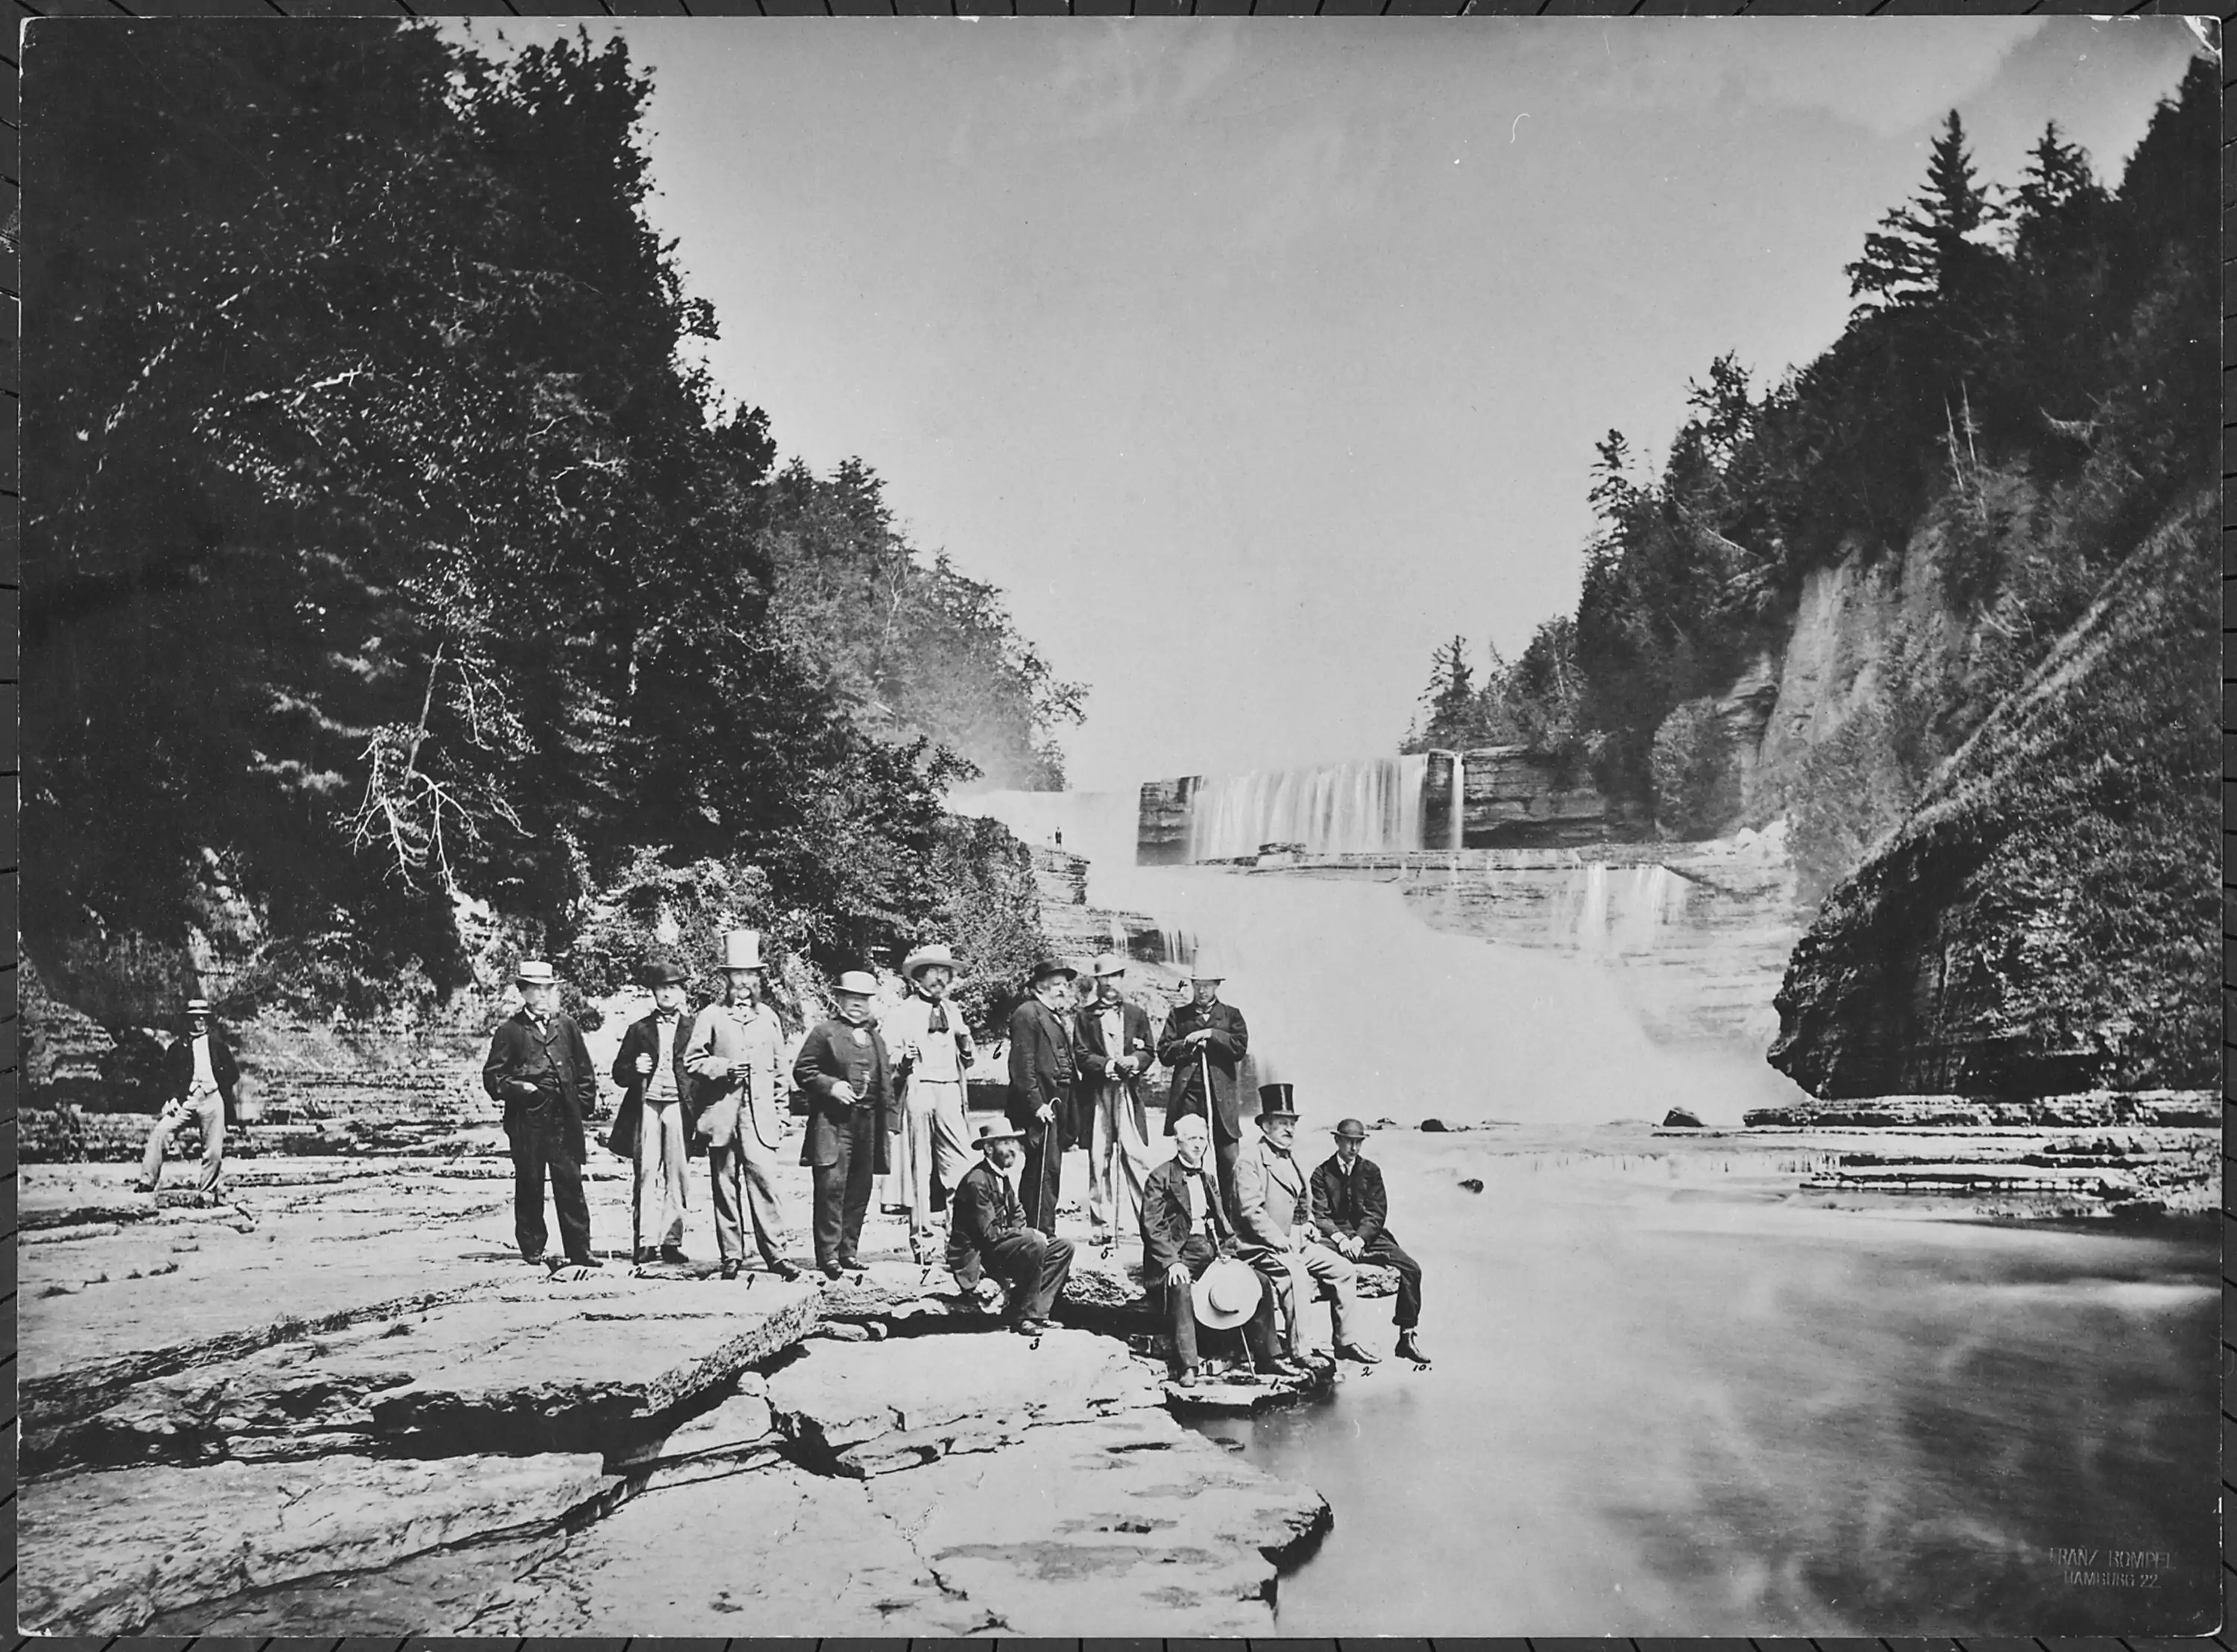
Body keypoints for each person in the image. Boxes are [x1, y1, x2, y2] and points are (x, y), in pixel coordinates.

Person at [1140, 1113, 1297, 1386]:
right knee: (1181, 1286)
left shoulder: (1208, 1179)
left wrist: (1228, 1253)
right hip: (1177, 1254)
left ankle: (1268, 1357)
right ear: (1178, 1144)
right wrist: (1171, 1262)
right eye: (1191, 1139)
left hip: (1209, 1251)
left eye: (1202, 1139)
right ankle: (1188, 1365)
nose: (1198, 1145)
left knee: (1258, 1281)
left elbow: (1223, 1224)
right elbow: (1152, 1227)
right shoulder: (1160, 1176)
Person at [683, 930, 802, 1281]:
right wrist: (722, 1068)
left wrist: (782, 1115)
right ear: (727, 980)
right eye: (738, 978)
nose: (745, 985)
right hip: (722, 1114)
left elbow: (782, 1071)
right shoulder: (711, 1016)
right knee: (724, 1185)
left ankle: (776, 1255)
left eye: (751, 977)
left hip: (761, 1118)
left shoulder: (769, 1018)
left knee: (765, 1183)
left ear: (759, 979)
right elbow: (691, 1061)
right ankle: (731, 1256)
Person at [1233, 1085, 1376, 1365]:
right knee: (1297, 1274)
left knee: (1345, 1270)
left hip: (1298, 1241)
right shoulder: (1250, 1160)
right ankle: (1301, 1350)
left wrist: (1310, 1223)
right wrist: (1278, 1239)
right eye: (1283, 1124)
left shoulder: (1290, 1157)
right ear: (1266, 1126)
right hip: (1261, 1246)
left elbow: (1301, 1201)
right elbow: (1251, 1210)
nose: (1290, 1130)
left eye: (1293, 1124)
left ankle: (1345, 1342)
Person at [482, 960, 600, 1269]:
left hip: (563, 1118)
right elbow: (494, 1079)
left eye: (548, 988)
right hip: (528, 1120)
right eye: (536, 989)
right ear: (522, 992)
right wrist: (523, 1090)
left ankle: (580, 1250)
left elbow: (584, 1070)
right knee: (530, 1182)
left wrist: (582, 1105)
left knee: (570, 1183)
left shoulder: (567, 1026)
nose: (544, 995)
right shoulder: (510, 1031)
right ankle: (532, 1247)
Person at [793, 969, 898, 1279]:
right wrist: (831, 1086)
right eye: (851, 998)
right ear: (839, 999)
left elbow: (886, 1082)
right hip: (833, 1122)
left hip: (868, 1124)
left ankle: (848, 1251)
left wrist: (890, 1121)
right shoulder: (824, 1033)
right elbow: (803, 1070)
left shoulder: (876, 1038)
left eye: (863, 999)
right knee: (831, 1187)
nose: (857, 1005)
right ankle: (828, 1255)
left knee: (860, 1188)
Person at [881, 942, 978, 1255]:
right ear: (919, 977)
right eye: (935, 972)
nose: (942, 979)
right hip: (919, 1088)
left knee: (960, 1165)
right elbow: (887, 1056)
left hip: (950, 1089)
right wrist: (904, 1059)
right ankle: (922, 1240)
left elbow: (968, 1058)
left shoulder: (954, 1010)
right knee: (920, 1166)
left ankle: (958, 1240)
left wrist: (966, 1042)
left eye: (946, 973)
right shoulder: (903, 1012)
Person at [1312, 1117, 1429, 1363]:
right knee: (1316, 1253)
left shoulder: (1371, 1171)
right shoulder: (1321, 1173)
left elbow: (1376, 1212)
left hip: (1368, 1235)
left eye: (1358, 1142)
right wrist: (1342, 1239)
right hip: (1335, 1237)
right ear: (1337, 1141)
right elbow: (1320, 1214)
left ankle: (1406, 1337)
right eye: (1348, 1142)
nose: (1353, 1148)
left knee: (1411, 1268)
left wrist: (1361, 1240)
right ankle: (1344, 1342)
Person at [946, 1120, 1074, 1337]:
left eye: (1013, 1142)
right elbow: (988, 1235)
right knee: (1035, 1241)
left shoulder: (1001, 1177)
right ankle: (1023, 1318)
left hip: (998, 1247)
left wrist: (1021, 1235)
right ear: (989, 1148)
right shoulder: (977, 1181)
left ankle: (1038, 1313)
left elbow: (1017, 1213)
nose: (1012, 1148)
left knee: (1064, 1247)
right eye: (1005, 1142)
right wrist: (1024, 1237)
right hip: (977, 1254)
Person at [606, 955, 695, 1266]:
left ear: (683, 992)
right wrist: (634, 1067)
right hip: (646, 1106)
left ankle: (671, 1241)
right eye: (661, 988)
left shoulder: (694, 1029)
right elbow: (618, 1073)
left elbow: (702, 1070)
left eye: (673, 988)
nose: (667, 994)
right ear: (653, 993)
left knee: (678, 1176)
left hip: (679, 1108)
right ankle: (644, 1242)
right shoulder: (638, 1029)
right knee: (645, 1174)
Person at [1072, 952, 1155, 1258]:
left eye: (1115, 977)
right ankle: (1101, 1226)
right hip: (1098, 1094)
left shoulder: (1136, 1013)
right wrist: (1108, 1065)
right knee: (1099, 1157)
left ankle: (1149, 1224)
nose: (1109, 984)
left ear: (1123, 979)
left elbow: (1150, 1051)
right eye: (1104, 978)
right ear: (1097, 982)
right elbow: (1081, 1055)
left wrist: (1134, 1061)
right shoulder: (1085, 1016)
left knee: (1136, 1156)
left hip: (1128, 1094)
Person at [1158, 960, 1249, 1211]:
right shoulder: (1179, 1016)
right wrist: (1187, 1044)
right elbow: (1164, 1052)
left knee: (1229, 1160)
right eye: (1197, 985)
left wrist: (1211, 1034)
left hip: (1222, 1101)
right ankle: (1192, 1218)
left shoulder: (1232, 1015)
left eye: (1207, 986)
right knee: (1190, 1157)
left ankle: (1230, 1225)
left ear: (1217, 986)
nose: (1202, 991)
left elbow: (1239, 1048)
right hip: (1189, 1097)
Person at [133, 995, 238, 1196]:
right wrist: (172, 1098)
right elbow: (166, 1077)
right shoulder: (177, 1047)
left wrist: (217, 1087)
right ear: (188, 1020)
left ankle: (207, 1192)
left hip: (212, 1098)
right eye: (195, 1018)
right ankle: (147, 1181)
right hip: (187, 1100)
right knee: (161, 1131)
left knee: (213, 1150)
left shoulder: (217, 1045)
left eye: (203, 1017)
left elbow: (233, 1073)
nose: (199, 1022)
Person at [1005, 957, 1077, 1234]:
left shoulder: (1051, 1016)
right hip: (1040, 1109)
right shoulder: (1027, 1014)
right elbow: (1021, 1066)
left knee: (1049, 1171)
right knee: (1042, 1173)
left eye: (1064, 985)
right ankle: (1038, 1234)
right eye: (1056, 985)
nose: (1063, 990)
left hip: (1055, 1107)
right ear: (1038, 986)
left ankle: (1038, 1230)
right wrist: (1037, 1105)